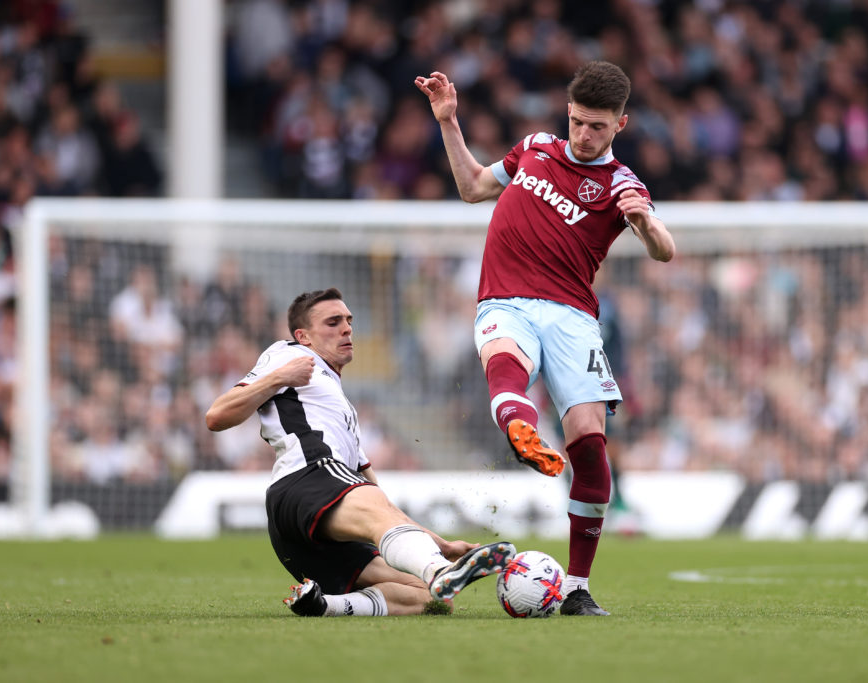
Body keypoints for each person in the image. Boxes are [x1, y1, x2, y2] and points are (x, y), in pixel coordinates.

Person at [415, 61, 675, 616]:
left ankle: (578, 589)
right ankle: (520, 428)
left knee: (590, 443)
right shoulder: (533, 147)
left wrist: (647, 224)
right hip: (504, 299)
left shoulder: (623, 184)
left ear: (620, 125)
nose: (585, 135)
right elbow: (471, 187)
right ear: (567, 111)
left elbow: (664, 251)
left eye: (598, 128)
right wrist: (448, 121)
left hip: (572, 317)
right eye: (579, 122)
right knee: (504, 360)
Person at [205, 287, 515, 617]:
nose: (347, 328)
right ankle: (438, 570)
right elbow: (216, 416)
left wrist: (443, 545)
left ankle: (325, 604)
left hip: (302, 528)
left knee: (432, 600)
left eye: (349, 321)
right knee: (407, 548)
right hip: (306, 479)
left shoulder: (342, 410)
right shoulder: (287, 354)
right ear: (303, 336)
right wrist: (280, 376)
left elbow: (378, 505)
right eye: (333, 322)